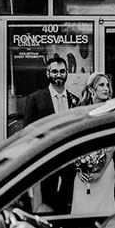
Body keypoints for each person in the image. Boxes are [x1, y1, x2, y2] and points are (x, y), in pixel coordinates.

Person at [22, 54, 79, 212]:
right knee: (46, 207)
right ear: (48, 74)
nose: (58, 75)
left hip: (69, 163)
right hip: (46, 163)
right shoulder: (35, 99)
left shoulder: (75, 100)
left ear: (67, 72)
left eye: (62, 71)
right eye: (54, 71)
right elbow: (29, 132)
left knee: (65, 207)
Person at [70, 73, 115, 214]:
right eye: (101, 85)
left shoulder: (111, 112)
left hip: (106, 170)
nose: (106, 88)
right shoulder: (80, 112)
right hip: (83, 174)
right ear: (91, 90)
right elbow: (73, 142)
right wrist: (79, 168)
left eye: (107, 85)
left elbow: (113, 144)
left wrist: (101, 170)